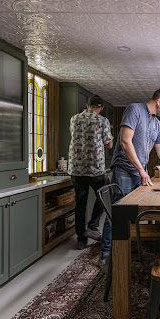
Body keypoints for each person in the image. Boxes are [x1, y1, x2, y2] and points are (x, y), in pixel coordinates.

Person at [99, 88, 160, 267]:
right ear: (159, 102)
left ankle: (127, 244)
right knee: (118, 212)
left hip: (139, 172)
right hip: (125, 170)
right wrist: (141, 170)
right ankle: (107, 253)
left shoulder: (157, 124)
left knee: (135, 212)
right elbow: (125, 141)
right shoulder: (134, 110)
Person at [68, 95, 113, 250]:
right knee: (105, 197)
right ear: (100, 107)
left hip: (76, 169)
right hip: (96, 168)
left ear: (87, 105)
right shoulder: (102, 121)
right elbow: (109, 144)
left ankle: (81, 238)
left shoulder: (74, 119)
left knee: (80, 204)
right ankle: (93, 226)